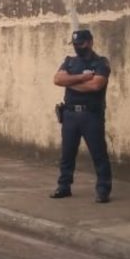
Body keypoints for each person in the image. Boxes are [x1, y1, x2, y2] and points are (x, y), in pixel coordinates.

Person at [51, 29, 112, 203]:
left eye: (81, 43)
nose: (78, 47)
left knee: (99, 154)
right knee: (67, 154)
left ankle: (103, 190)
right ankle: (64, 186)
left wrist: (69, 82)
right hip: (70, 114)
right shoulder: (70, 62)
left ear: (90, 42)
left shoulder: (101, 63)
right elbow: (57, 79)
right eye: (76, 44)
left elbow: (95, 86)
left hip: (91, 115)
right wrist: (82, 78)